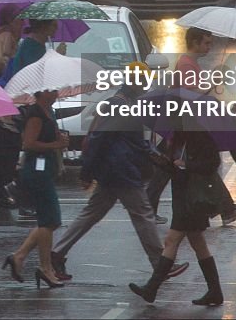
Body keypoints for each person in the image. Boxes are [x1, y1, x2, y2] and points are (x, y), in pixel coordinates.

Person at [50, 64, 189, 283]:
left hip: (115, 170)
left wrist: (159, 159)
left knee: (92, 213)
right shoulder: (118, 105)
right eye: (143, 81)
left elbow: (134, 142)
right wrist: (87, 171)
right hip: (120, 171)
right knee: (143, 213)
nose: (145, 86)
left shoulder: (127, 104)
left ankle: (56, 253)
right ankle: (161, 263)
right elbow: (99, 140)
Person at [147, 27, 236, 226]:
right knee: (201, 166)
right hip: (186, 127)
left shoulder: (189, 63)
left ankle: (149, 209)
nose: (209, 47)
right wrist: (213, 81)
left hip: (185, 126)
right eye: (206, 43)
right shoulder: (187, 65)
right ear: (195, 42)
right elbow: (193, 95)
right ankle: (225, 210)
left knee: (168, 168)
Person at [129, 127, 224, 307]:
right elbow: (173, 167)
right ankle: (215, 291)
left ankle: (152, 288)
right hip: (182, 197)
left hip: (193, 199)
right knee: (198, 244)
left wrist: (186, 164)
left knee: (171, 241)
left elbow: (212, 163)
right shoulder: (177, 138)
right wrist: (159, 159)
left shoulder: (200, 136)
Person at [3, 87, 70, 290]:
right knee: (49, 220)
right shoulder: (35, 114)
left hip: (45, 169)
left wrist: (58, 141)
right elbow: (29, 143)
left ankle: (19, 256)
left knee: (49, 221)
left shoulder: (49, 112)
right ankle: (45, 268)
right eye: (52, 90)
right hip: (36, 171)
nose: (56, 92)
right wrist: (56, 144)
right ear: (41, 93)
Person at [0, 19, 58, 87]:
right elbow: (36, 74)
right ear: (44, 26)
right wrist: (57, 56)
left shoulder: (39, 44)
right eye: (54, 25)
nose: (57, 28)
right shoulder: (32, 47)